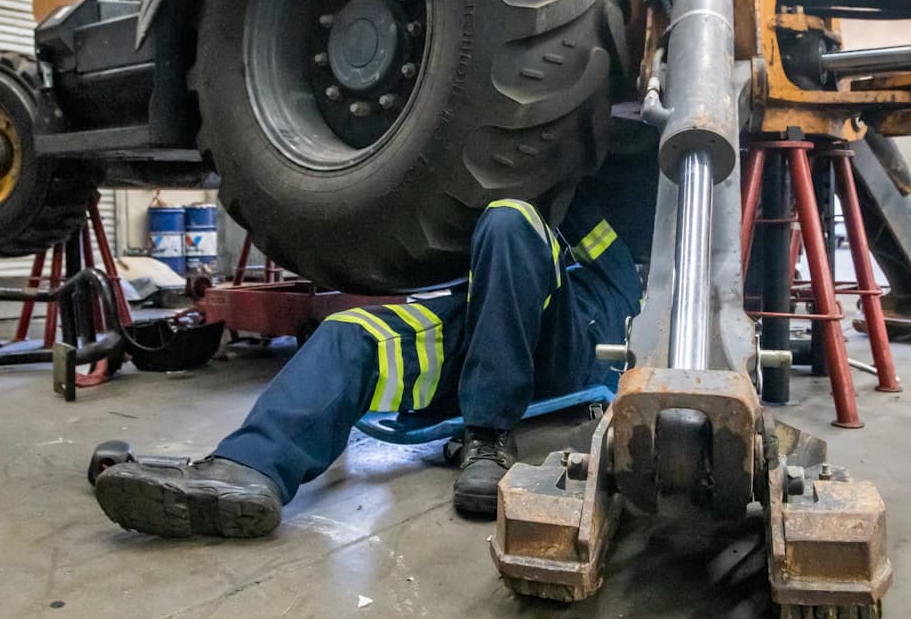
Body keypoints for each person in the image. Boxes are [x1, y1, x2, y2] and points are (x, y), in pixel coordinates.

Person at [93, 187, 643, 538]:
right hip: (487, 311)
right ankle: (250, 467)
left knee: (510, 219)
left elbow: (619, 278)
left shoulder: (617, 188)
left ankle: (489, 436)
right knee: (351, 333)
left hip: (578, 329)